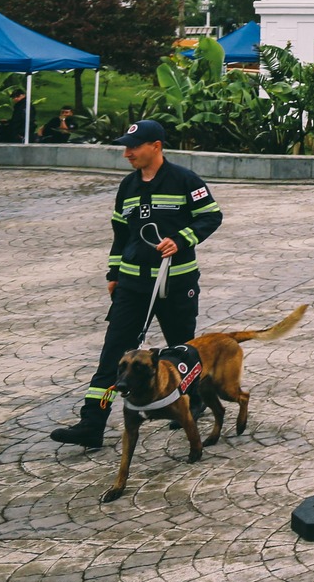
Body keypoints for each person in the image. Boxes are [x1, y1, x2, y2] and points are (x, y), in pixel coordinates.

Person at [49, 119, 223, 450]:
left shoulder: (185, 180)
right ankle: (92, 423)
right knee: (114, 353)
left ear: (156, 146)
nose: (127, 153)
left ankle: (194, 401)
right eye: (125, 147)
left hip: (176, 282)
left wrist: (181, 239)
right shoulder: (127, 186)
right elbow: (120, 235)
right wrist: (113, 276)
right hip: (131, 285)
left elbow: (211, 215)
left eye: (133, 147)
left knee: (182, 349)